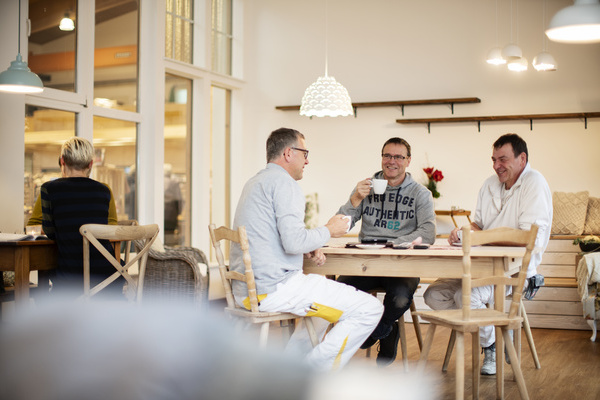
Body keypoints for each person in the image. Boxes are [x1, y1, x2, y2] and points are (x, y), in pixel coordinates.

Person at [229, 127, 384, 371]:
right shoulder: (285, 184)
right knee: (370, 309)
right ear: (289, 153)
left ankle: (292, 371)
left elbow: (272, 238)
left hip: (247, 288)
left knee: (324, 313)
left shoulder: (256, 182)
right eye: (304, 153)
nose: (307, 160)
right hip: (273, 289)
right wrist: (328, 230)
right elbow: (292, 242)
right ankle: (311, 378)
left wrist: (308, 246)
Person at [423, 133, 552, 375]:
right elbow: (479, 225)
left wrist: (477, 238)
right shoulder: (489, 184)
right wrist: (460, 231)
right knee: (433, 295)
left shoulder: (535, 183)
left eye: (503, 159)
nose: (496, 166)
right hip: (479, 264)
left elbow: (527, 237)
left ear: (522, 158)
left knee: (465, 297)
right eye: (493, 159)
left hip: (512, 269)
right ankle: (497, 330)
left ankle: (490, 345)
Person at [337, 137, 436, 366]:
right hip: (367, 262)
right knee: (340, 291)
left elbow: (428, 232)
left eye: (398, 157)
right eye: (387, 156)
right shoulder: (365, 187)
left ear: (408, 161)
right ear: (382, 158)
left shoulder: (420, 194)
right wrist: (355, 199)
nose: (392, 161)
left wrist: (395, 244)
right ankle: (385, 331)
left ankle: (378, 331)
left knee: (400, 298)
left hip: (402, 262)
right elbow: (343, 223)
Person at [40, 137, 124, 298]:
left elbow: (50, 232)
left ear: (62, 161)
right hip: (109, 276)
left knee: (46, 273)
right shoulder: (103, 191)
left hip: (71, 278)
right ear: (91, 164)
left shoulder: (49, 189)